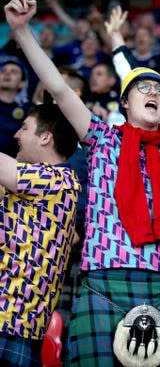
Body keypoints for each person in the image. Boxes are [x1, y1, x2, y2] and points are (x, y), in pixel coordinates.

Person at [5, 0, 160, 367]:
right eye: (143, 88)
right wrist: (21, 32)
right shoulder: (101, 138)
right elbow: (58, 88)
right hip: (102, 281)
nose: (153, 93)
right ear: (125, 101)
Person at [0, 103, 80, 366]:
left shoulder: (61, 179)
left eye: (25, 128)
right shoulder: (26, 183)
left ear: (46, 137)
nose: (16, 135)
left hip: (12, 322)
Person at [0, 56, 31, 157]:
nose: (7, 73)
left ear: (22, 83)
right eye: (3, 71)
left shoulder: (28, 110)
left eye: (13, 72)